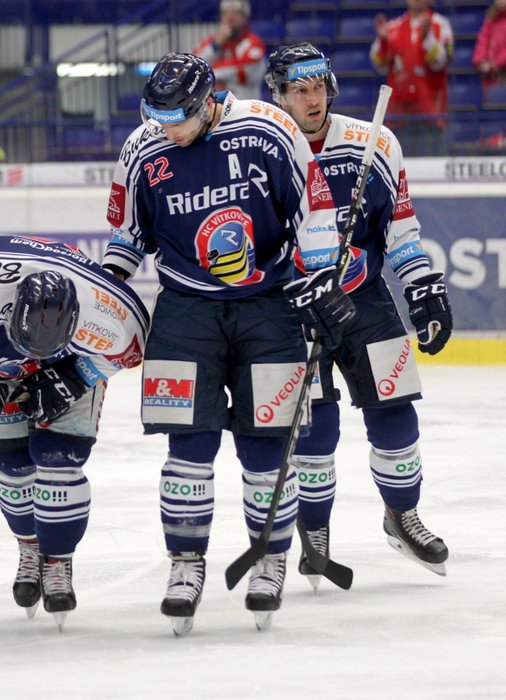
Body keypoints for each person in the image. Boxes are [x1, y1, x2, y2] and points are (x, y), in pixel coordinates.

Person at [101, 53, 355, 634]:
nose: (169, 129)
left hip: (268, 306)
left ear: (209, 100)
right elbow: (125, 236)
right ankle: (185, 565)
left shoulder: (270, 127)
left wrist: (319, 278)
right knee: (186, 445)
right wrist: (107, 287)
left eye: (180, 117)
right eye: (158, 116)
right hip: (185, 309)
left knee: (268, 444)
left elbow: (313, 209)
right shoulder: (145, 148)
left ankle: (270, 560)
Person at [264, 43, 452, 586]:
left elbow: (401, 231)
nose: (312, 97)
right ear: (277, 93)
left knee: (396, 414)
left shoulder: (375, 141)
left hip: (364, 299)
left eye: (319, 84)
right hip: (296, 306)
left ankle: (402, 515)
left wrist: (423, 290)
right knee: (316, 429)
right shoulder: (263, 147)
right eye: (298, 88)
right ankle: (315, 532)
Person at [0, 236, 149, 628]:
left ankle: (58, 559)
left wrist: (78, 376)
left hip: (73, 360)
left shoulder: (109, 312)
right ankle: (29, 547)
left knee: (58, 456)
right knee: (10, 460)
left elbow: (130, 349)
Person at [370, 0, 454, 156]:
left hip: (430, 113)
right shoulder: (392, 27)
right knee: (400, 169)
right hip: (399, 115)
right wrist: (383, 41)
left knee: (432, 167)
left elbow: (441, 62)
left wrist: (427, 39)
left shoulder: (440, 24)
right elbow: (378, 64)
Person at [191, 0, 266, 101]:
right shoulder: (214, 41)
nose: (230, 17)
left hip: (246, 106)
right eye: (226, 12)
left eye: (236, 13)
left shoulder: (254, 43)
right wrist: (216, 45)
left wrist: (208, 73)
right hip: (216, 109)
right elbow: (195, 65)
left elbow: (244, 73)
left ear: (245, 17)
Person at [474, 0, 506, 95]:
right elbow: (483, 39)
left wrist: (496, 63)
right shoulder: (491, 18)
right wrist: (480, 60)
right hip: (492, 77)